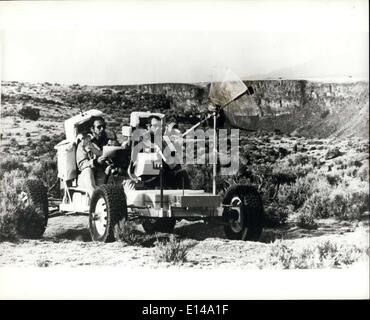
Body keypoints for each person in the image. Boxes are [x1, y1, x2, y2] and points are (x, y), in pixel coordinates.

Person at [76, 116, 110, 197]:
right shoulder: (84, 144)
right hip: (87, 178)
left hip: (103, 175)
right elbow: (81, 165)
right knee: (88, 171)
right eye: (99, 127)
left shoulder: (108, 143)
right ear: (92, 129)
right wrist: (96, 162)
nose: (102, 129)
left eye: (103, 126)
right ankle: (95, 200)